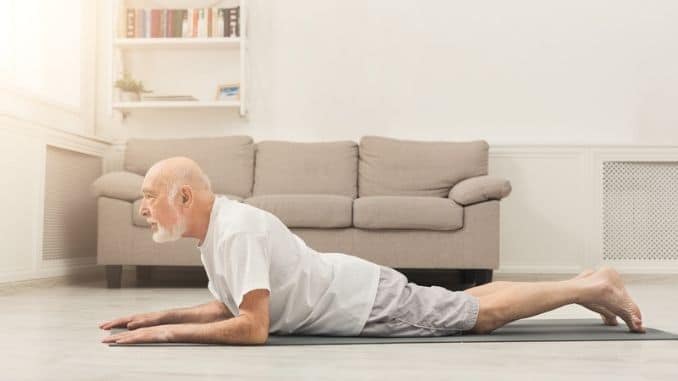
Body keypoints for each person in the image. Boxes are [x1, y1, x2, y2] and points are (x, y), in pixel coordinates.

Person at [100, 157, 645, 345]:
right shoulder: (216, 230)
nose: (144, 208)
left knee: (476, 315)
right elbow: (229, 306)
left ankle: (592, 286)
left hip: (364, 303)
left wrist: (165, 335)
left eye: (150, 197)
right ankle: (585, 281)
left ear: (184, 196)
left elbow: (252, 326)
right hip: (356, 284)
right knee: (467, 301)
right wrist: (156, 314)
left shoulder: (235, 229)